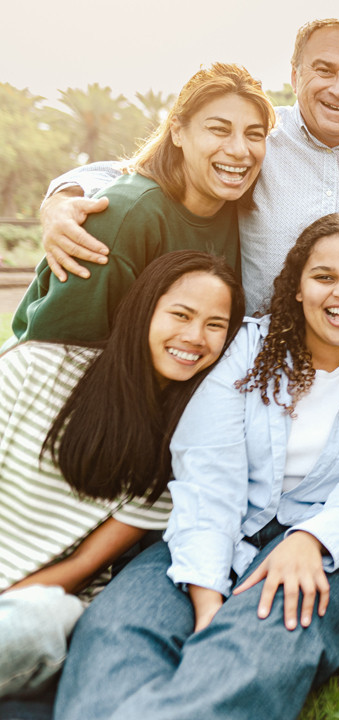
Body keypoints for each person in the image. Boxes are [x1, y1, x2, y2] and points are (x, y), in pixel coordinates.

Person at [54, 214, 339, 720]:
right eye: (324, 276)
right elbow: (209, 474)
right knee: (118, 628)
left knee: (262, 632)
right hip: (229, 527)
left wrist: (310, 540)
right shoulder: (248, 351)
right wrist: (207, 596)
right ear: (297, 286)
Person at [39, 18, 339, 314]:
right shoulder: (256, 138)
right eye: (324, 70)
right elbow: (143, 170)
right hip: (249, 357)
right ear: (295, 75)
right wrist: (61, 198)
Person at [0, 251, 242, 701]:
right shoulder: (34, 369)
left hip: (34, 609)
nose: (194, 337)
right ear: (143, 310)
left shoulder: (179, 452)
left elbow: (80, 567)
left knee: (36, 620)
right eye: (181, 314)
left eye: (215, 325)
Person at [11, 63, 271, 344]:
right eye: (219, 129)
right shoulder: (125, 215)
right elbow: (57, 349)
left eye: (254, 134)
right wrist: (58, 198)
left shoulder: (245, 208)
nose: (239, 150)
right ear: (177, 132)